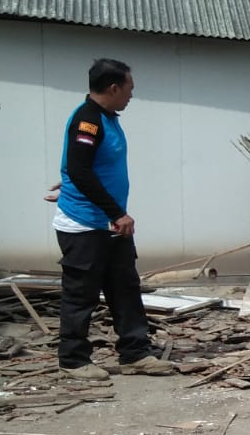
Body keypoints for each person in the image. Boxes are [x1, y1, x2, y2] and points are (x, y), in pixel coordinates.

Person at [55, 59, 174, 380]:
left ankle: (135, 354)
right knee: (81, 294)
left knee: (125, 289)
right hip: (85, 224)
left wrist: (70, 183)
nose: (132, 95)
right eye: (129, 88)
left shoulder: (107, 118)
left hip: (109, 224)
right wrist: (116, 212)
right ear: (113, 88)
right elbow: (79, 169)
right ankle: (73, 360)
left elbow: (82, 167)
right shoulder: (88, 121)